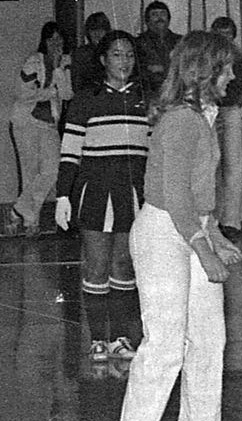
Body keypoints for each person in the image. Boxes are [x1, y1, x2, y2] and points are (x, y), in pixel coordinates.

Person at [112, 33, 242, 421]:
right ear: (204, 71)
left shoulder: (205, 117)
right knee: (165, 344)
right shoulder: (181, 122)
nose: (231, 76)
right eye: (225, 67)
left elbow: (200, 193)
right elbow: (175, 195)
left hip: (191, 227)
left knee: (208, 339)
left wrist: (215, 234)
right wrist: (205, 251)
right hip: (163, 232)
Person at [54, 30, 151, 363]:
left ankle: (120, 338)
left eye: (129, 55)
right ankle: (98, 339)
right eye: (116, 55)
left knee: (124, 265)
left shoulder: (147, 100)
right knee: (96, 266)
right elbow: (70, 152)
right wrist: (63, 196)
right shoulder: (85, 100)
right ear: (102, 59)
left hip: (132, 195)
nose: (124, 61)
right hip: (94, 193)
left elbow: (155, 154)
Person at [9, 20, 71, 235]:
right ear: (44, 41)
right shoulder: (33, 62)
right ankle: (30, 220)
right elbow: (23, 93)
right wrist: (49, 92)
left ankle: (19, 209)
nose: (56, 43)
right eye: (51, 39)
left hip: (49, 124)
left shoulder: (65, 63)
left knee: (52, 170)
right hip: (26, 122)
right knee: (30, 171)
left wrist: (58, 70)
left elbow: (67, 93)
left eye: (59, 39)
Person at [207, 14, 242, 234]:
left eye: (228, 34)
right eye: (219, 34)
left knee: (233, 166)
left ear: (233, 35)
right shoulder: (206, 57)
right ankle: (212, 221)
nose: (224, 38)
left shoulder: (240, 58)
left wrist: (232, 103)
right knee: (211, 167)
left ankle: (231, 222)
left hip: (230, 110)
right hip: (210, 111)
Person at [131, 0, 181, 92]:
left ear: (169, 19)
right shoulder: (137, 43)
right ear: (147, 20)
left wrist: (163, 68)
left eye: (163, 14)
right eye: (154, 14)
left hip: (176, 91)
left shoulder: (181, 42)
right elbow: (136, 71)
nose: (159, 18)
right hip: (147, 92)